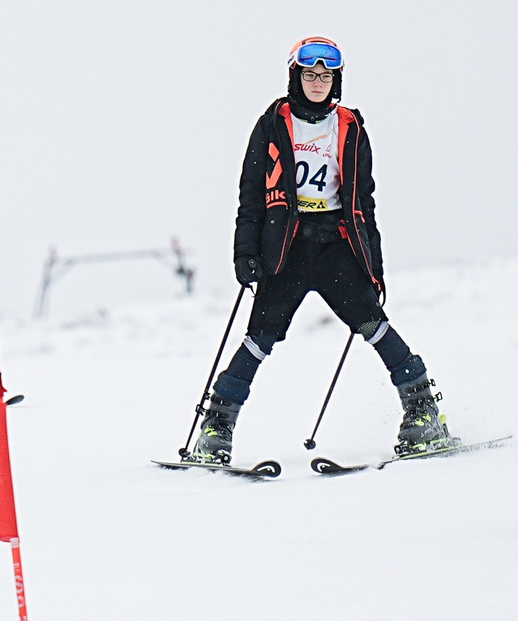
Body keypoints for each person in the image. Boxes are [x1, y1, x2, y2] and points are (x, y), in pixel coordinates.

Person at [183, 37, 447, 465]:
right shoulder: (272, 124)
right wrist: (244, 252)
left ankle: (423, 412)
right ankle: (216, 428)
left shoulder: (351, 126)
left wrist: (373, 266)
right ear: (296, 77)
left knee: (372, 322)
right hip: (285, 245)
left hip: (334, 244)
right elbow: (250, 195)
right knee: (260, 336)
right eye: (310, 75)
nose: (318, 82)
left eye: (326, 76)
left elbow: (364, 201)